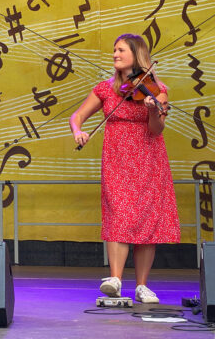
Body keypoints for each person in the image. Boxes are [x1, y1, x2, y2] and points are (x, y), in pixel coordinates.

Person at [69, 33, 180, 304]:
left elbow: (157, 129)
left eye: (120, 50)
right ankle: (115, 279)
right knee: (118, 213)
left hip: (148, 158)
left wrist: (154, 111)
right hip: (117, 158)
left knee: (146, 217)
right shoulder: (106, 88)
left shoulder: (156, 89)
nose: (115, 54)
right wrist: (78, 131)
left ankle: (142, 285)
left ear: (136, 55)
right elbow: (78, 116)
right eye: (114, 50)